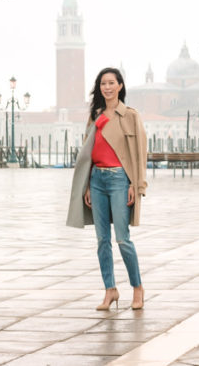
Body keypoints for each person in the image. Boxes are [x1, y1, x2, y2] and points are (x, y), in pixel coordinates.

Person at [66, 67, 148, 311]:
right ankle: (110, 290)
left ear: (120, 86)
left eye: (112, 82)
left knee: (122, 239)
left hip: (120, 180)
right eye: (103, 83)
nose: (107, 87)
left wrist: (137, 184)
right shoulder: (96, 115)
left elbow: (139, 153)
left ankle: (137, 288)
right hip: (97, 181)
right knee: (102, 240)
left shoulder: (130, 115)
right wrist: (88, 184)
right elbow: (88, 151)